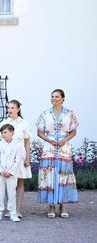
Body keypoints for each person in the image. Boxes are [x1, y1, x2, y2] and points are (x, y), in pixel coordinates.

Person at [36, 89, 78, 218]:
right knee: (49, 175)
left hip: (64, 148)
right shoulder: (45, 113)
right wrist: (50, 140)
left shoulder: (70, 113)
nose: (54, 99)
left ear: (63, 98)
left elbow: (73, 131)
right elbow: (39, 132)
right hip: (49, 147)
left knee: (64, 175)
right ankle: (51, 206)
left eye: (57, 96)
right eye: (52, 97)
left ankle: (63, 205)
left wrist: (64, 140)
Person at [0, 100, 32, 218]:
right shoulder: (4, 122)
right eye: (8, 108)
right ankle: (9, 209)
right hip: (8, 156)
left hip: (20, 155)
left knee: (20, 181)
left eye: (12, 108)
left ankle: (18, 209)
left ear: (18, 109)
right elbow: (0, 140)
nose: (10, 110)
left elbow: (27, 142)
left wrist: (27, 157)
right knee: (8, 181)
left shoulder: (24, 123)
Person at [0, 124, 23, 222]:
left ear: (12, 132)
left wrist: (11, 171)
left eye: (5, 132)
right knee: (0, 194)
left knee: (12, 193)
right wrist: (1, 171)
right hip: (0, 174)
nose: (3, 134)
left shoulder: (18, 144)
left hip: (12, 174)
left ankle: (13, 213)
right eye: (2, 133)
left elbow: (18, 160)